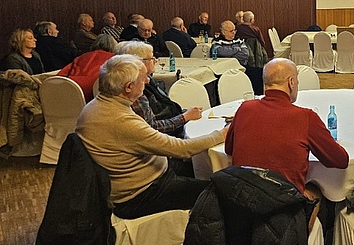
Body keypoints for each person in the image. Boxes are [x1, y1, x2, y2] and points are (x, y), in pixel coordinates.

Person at [75, 54, 227, 219]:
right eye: (143, 78)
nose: (147, 81)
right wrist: (222, 134)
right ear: (129, 87)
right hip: (142, 194)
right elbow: (181, 149)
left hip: (145, 174)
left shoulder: (96, 105)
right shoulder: (121, 121)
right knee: (221, 191)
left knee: (208, 169)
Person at [225, 58, 348, 230]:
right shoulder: (305, 117)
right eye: (297, 81)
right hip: (284, 214)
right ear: (291, 82)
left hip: (243, 210)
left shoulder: (244, 109)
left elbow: (228, 149)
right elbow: (340, 160)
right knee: (318, 188)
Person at [115, 41, 202, 138]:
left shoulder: (148, 80)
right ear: (140, 62)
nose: (156, 60)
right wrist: (185, 117)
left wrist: (186, 113)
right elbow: (151, 128)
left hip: (175, 126)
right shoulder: (135, 91)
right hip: (168, 138)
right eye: (152, 58)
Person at [58, 34, 117, 102]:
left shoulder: (81, 57)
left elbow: (61, 75)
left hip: (71, 90)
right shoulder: (114, 59)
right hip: (95, 94)